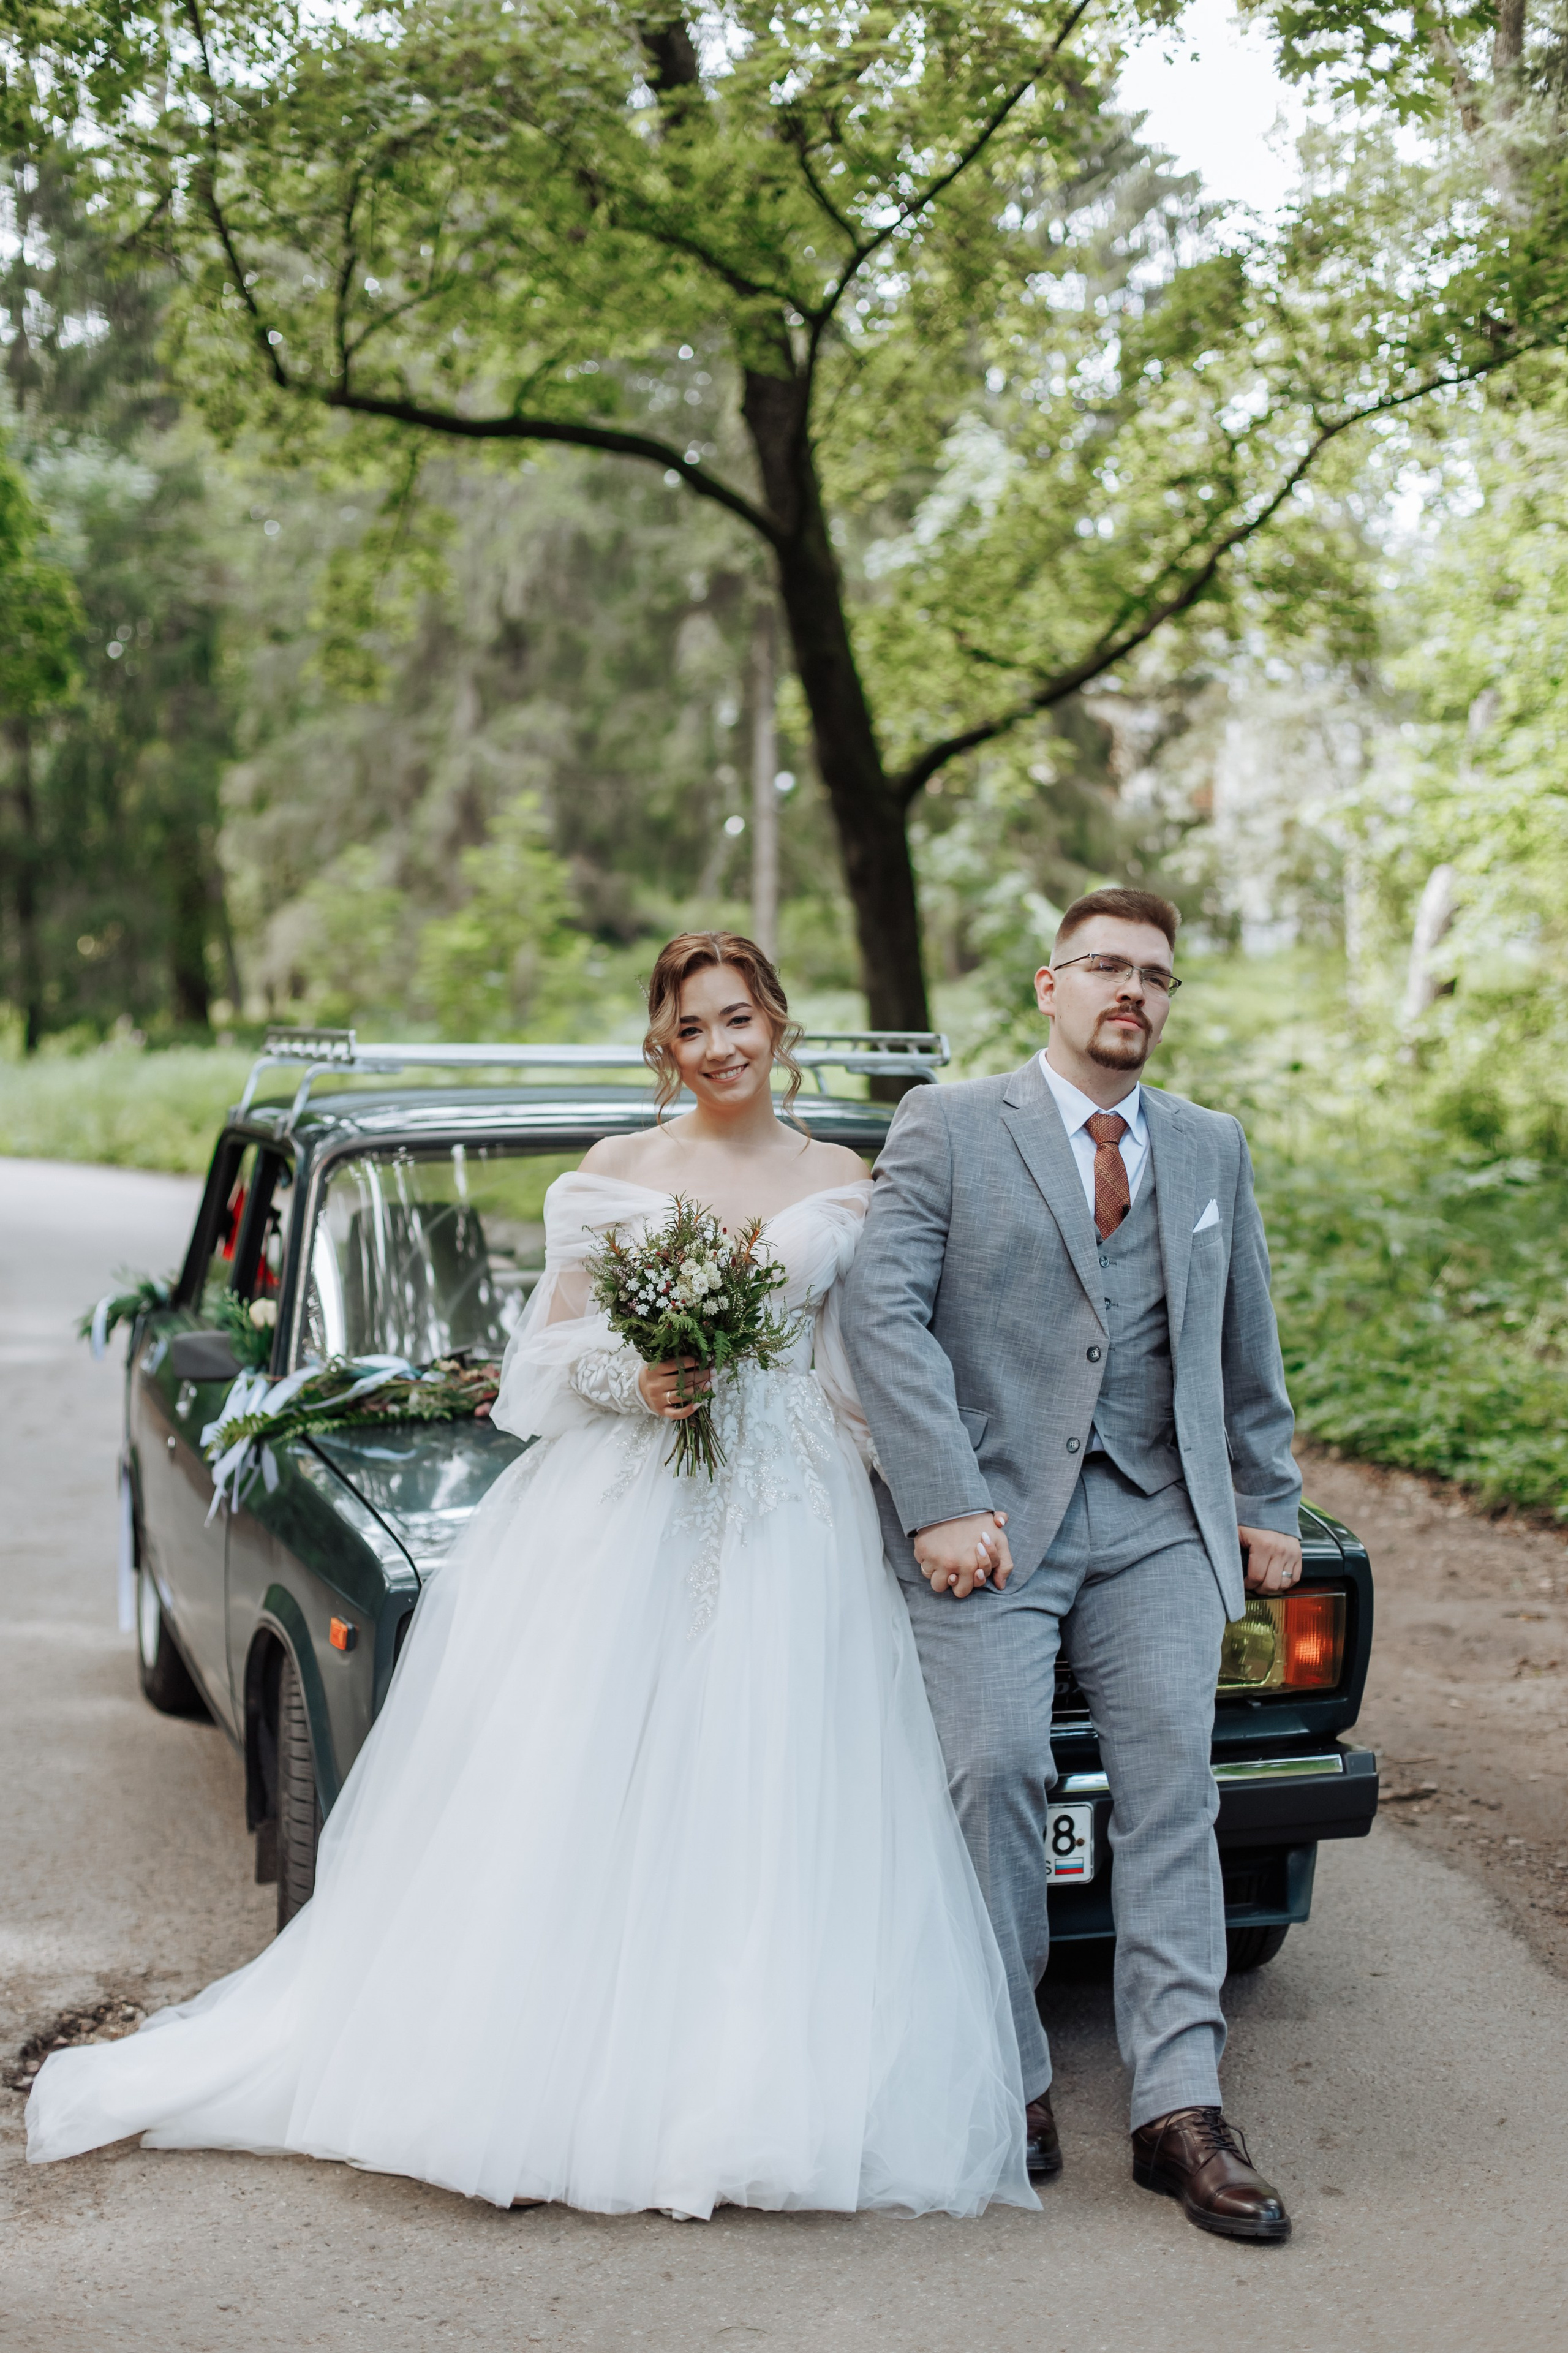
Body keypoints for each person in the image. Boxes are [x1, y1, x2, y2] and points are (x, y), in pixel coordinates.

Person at [27, 931, 1033, 2221]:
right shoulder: (616, 1173)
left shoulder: (845, 1177)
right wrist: (640, 1375)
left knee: (778, 1779)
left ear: (777, 1020)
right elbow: (539, 1368)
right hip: (629, 1501)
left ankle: (744, 2085)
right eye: (689, 1028)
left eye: (737, 1017)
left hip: (796, 1509)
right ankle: (562, 2070)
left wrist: (936, 1496)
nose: (718, 1045)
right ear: (662, 1046)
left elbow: (858, 1362)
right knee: (589, 1774)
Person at [841, 887, 1302, 2243]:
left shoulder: (1209, 1145)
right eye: (1105, 966)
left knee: (1172, 1784)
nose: (1132, 991)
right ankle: (1011, 2072)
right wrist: (939, 1499)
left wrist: (1266, 1497)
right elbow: (881, 1313)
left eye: (1155, 974)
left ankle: (1179, 2108)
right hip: (992, 1520)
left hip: (1157, 1514)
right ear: (1050, 986)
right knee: (994, 1772)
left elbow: (1244, 1339)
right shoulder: (947, 1124)